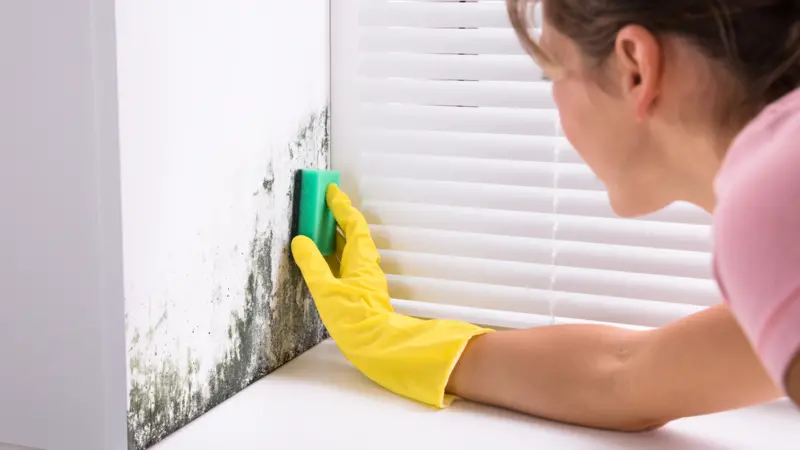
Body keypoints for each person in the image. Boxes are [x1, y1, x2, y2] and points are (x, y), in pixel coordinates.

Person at [290, 0, 800, 431]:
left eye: (554, 71)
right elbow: (625, 375)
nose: (555, 102)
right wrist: (390, 338)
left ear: (634, 67)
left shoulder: (770, 199)